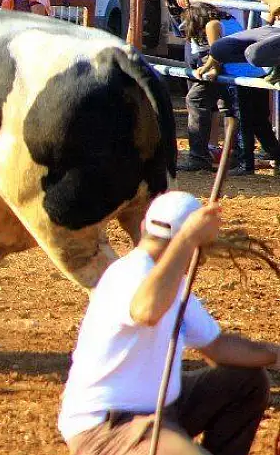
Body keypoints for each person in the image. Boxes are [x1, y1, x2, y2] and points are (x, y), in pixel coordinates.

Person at [58, 191, 277, 455]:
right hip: (108, 426)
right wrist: (187, 238)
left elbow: (217, 347)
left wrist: (274, 355)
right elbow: (147, 311)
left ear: (143, 227)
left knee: (247, 381)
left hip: (163, 410)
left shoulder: (172, 282)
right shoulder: (129, 273)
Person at [175, 3, 247, 175]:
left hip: (232, 70)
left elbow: (217, 55)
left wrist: (205, 69)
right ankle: (238, 156)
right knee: (231, 108)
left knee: (196, 99)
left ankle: (199, 157)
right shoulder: (228, 19)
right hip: (240, 70)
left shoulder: (211, 24)